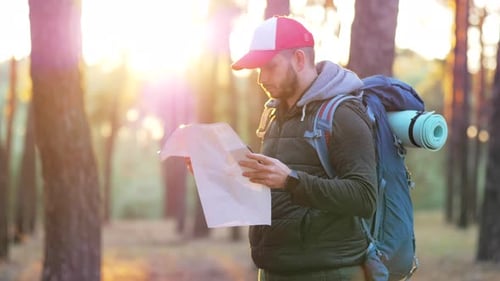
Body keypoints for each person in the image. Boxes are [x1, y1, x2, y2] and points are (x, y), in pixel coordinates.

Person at [233, 16, 378, 281]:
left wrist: (290, 180)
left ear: (299, 60)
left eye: (269, 66)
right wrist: (217, 167)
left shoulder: (343, 114)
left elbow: (364, 197)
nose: (261, 79)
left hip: (328, 272)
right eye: (257, 70)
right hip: (274, 270)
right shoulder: (275, 115)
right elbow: (272, 190)